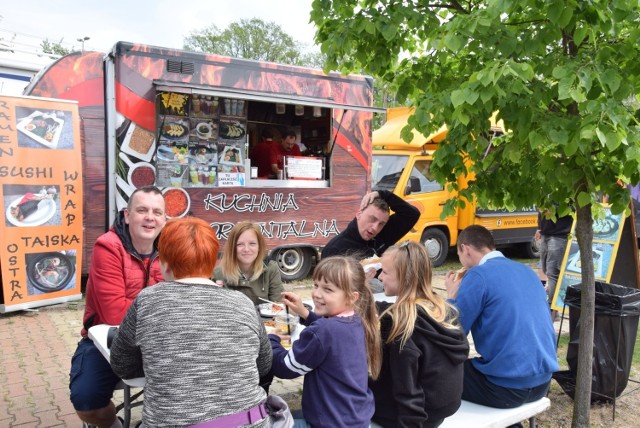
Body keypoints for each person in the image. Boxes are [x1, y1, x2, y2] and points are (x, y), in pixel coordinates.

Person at [110, 217, 273, 427]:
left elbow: (121, 365)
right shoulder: (243, 303)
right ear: (213, 262)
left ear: (164, 264)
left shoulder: (147, 300)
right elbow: (264, 365)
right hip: (251, 422)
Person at [69, 186, 166, 428]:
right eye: (142, 210)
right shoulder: (108, 246)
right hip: (106, 340)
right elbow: (114, 314)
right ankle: (115, 425)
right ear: (127, 215)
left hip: (159, 340)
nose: (150, 217)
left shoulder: (170, 248)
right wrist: (164, 307)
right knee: (86, 400)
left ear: (165, 219)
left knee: (196, 380)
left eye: (157, 212)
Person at [444, 225, 559, 414]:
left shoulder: (477, 275)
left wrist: (451, 298)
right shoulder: (527, 271)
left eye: (459, 256)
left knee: (437, 370)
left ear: (465, 249)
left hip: (503, 388)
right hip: (543, 382)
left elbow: (451, 334)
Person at [269, 256, 382, 428]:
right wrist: (304, 313)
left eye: (328, 289)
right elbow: (329, 333)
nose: (317, 294)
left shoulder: (323, 331)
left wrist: (271, 339)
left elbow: (285, 368)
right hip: (356, 419)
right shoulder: (358, 320)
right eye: (315, 285)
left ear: (352, 297)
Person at [371, 241, 469, 428]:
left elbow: (406, 387)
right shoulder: (444, 310)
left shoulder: (399, 322)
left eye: (384, 272)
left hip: (412, 416)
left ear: (404, 277)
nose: (380, 277)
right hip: (440, 409)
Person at [321, 190, 420, 292]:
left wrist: (383, 194)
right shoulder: (334, 249)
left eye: (381, 224)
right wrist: (359, 284)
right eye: (372, 219)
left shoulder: (383, 234)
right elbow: (328, 290)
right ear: (359, 214)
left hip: (386, 300)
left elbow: (412, 214)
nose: (375, 228)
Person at [213, 221, 284, 305]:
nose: (246, 249)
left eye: (252, 244)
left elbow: (279, 306)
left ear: (259, 247)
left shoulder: (271, 269)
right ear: (232, 248)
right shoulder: (218, 274)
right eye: (240, 244)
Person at [535, 210, 573, 321]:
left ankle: (552, 308)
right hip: (545, 233)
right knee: (545, 269)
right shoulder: (545, 193)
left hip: (559, 235)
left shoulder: (563, 194)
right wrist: (539, 227)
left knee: (552, 273)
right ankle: (552, 305)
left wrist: (551, 210)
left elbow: (568, 209)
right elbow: (540, 210)